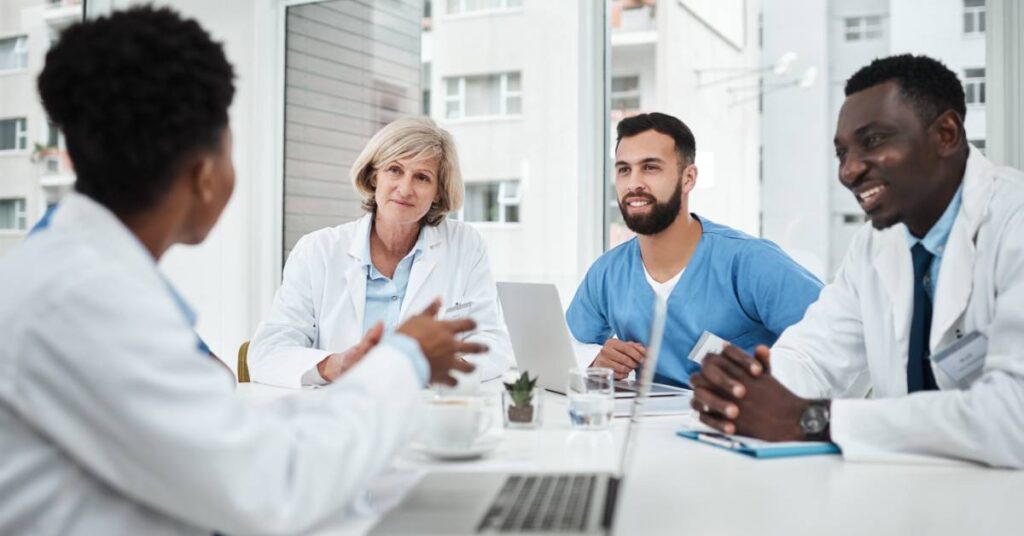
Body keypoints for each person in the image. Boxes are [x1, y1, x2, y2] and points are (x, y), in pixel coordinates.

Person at [0, 7, 485, 534]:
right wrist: (404, 357)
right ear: (205, 173)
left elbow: (223, 444)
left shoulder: (69, 273)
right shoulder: (86, 300)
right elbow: (271, 488)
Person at [691, 54, 1024, 468]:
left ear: (946, 134)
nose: (848, 172)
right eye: (841, 153)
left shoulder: (1014, 222)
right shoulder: (873, 246)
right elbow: (815, 357)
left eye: (873, 141)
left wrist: (813, 420)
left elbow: (1015, 416)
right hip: (912, 491)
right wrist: (747, 390)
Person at [248, 117, 514, 388]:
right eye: (394, 170)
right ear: (375, 176)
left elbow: (492, 343)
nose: (405, 189)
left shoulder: (465, 245)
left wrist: (436, 369)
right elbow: (268, 352)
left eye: (422, 177)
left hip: (427, 412)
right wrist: (336, 365)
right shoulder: (317, 251)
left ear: (438, 192)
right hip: (340, 413)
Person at [566, 112, 822, 387]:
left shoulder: (751, 262)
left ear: (688, 178)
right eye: (624, 169)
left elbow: (836, 345)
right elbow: (569, 345)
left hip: (740, 424)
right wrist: (595, 361)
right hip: (648, 426)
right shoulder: (608, 272)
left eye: (650, 167)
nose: (633, 183)